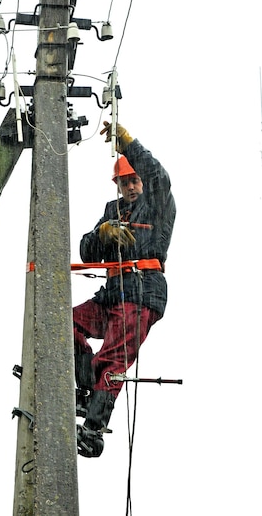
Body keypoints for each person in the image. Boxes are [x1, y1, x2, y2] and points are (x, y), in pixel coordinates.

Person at [74, 121, 176, 457]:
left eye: (134, 179)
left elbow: (160, 176)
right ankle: (85, 390)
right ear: (117, 184)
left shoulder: (158, 204)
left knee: (112, 359)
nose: (130, 186)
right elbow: (86, 251)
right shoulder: (112, 211)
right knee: (64, 324)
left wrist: (127, 142)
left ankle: (93, 430)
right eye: (124, 181)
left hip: (142, 294)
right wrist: (102, 233)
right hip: (113, 294)